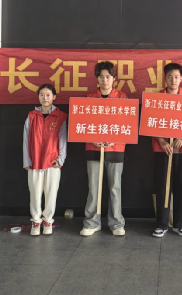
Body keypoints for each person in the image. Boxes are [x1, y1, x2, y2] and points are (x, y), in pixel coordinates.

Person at [80, 61, 128, 237]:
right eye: (101, 77)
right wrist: (92, 138)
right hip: (93, 148)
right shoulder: (89, 98)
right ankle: (92, 223)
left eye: (108, 77)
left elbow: (128, 124)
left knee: (115, 187)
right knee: (94, 188)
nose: (105, 80)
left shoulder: (122, 98)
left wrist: (114, 138)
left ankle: (116, 223)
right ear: (97, 79)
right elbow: (82, 123)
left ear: (114, 79)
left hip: (116, 148)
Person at [152, 63, 182, 238]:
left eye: (176, 77)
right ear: (165, 78)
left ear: (181, 78)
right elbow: (150, 121)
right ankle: (161, 224)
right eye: (170, 77)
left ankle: (180, 224)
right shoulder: (157, 98)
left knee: (181, 187)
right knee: (163, 188)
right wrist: (161, 141)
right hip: (163, 150)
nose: (173, 80)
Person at [23, 83, 68, 236]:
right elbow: (25, 140)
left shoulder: (60, 116)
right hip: (34, 162)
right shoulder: (31, 116)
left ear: (54, 97)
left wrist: (60, 159)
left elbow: (63, 139)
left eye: (48, 95)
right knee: (35, 194)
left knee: (51, 194)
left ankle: (48, 220)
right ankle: (36, 221)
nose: (45, 98)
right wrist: (27, 161)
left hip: (52, 162)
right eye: (42, 95)